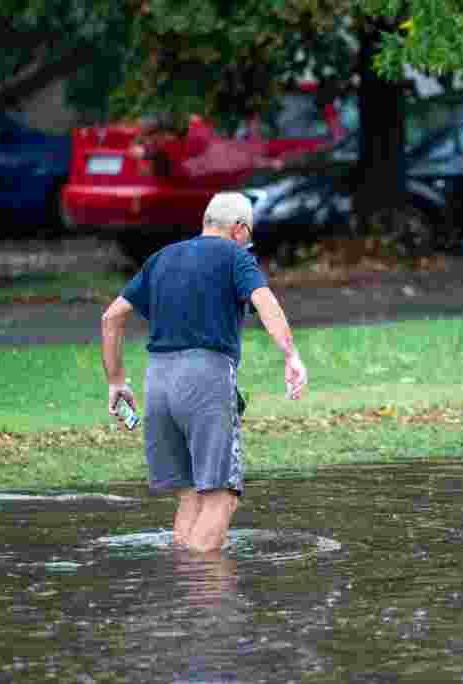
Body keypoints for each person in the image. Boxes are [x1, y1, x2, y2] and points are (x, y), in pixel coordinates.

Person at [100, 192, 308, 553]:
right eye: (250, 237)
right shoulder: (235, 256)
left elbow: (111, 317)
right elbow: (264, 300)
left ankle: (180, 593)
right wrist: (291, 356)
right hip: (205, 380)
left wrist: (116, 381)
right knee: (221, 497)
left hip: (158, 383)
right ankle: (202, 598)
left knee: (192, 495)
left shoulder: (161, 258)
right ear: (240, 230)